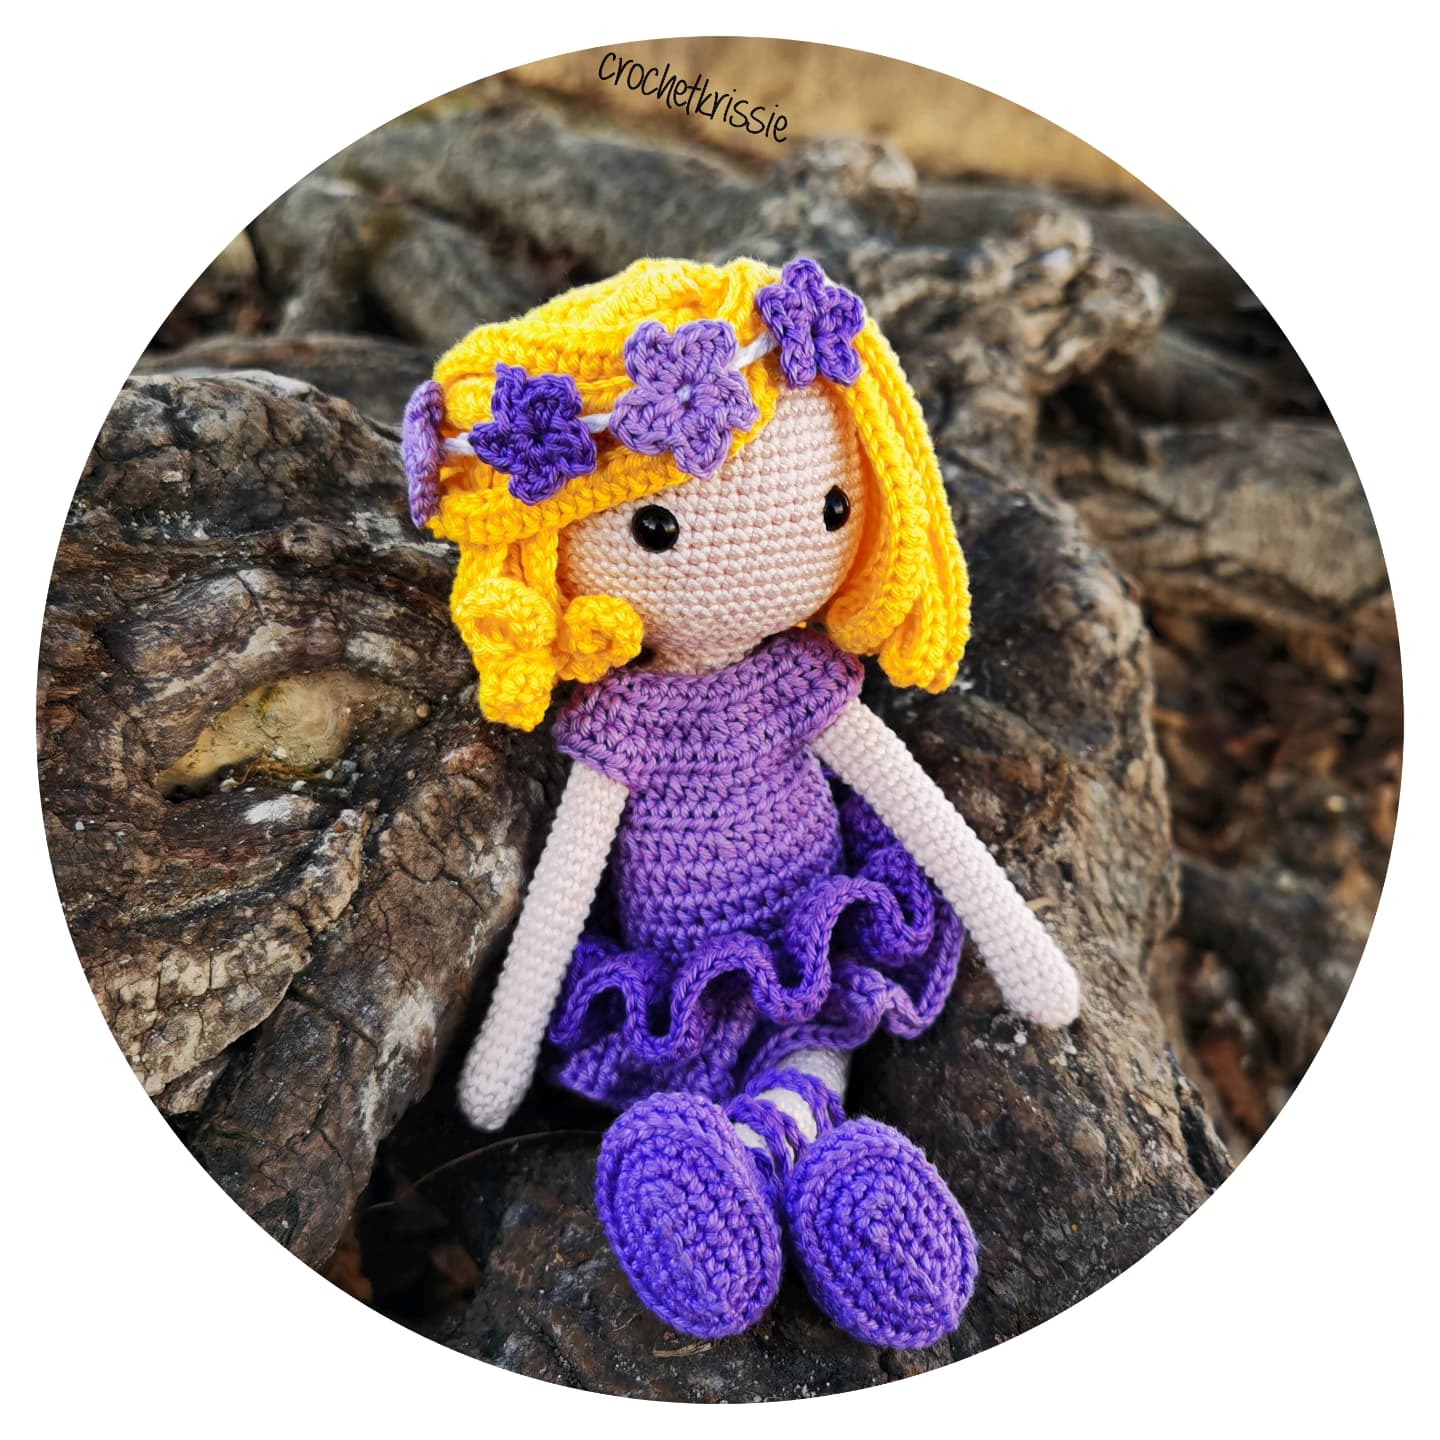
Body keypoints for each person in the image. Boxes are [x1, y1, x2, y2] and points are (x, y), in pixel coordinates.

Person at [403, 255, 1080, 1349]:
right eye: (656, 529)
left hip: (811, 936)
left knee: (809, 1053)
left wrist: (1026, 956)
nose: (757, 555)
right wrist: (502, 1055)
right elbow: (566, 886)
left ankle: (818, 1169)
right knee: (691, 1087)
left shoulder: (802, 684)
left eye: (828, 509)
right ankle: (720, 1180)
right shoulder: (621, 719)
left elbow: (918, 812)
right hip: (675, 977)